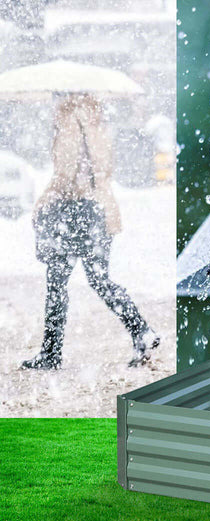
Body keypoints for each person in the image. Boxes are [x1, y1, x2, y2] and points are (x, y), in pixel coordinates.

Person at [21, 94, 159, 370]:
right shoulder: (97, 124)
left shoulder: (70, 124)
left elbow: (66, 176)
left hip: (74, 212)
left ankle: (50, 353)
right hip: (100, 209)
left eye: (55, 96)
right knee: (99, 279)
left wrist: (44, 200)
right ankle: (141, 330)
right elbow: (102, 170)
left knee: (57, 283)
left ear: (65, 97)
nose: (51, 102)